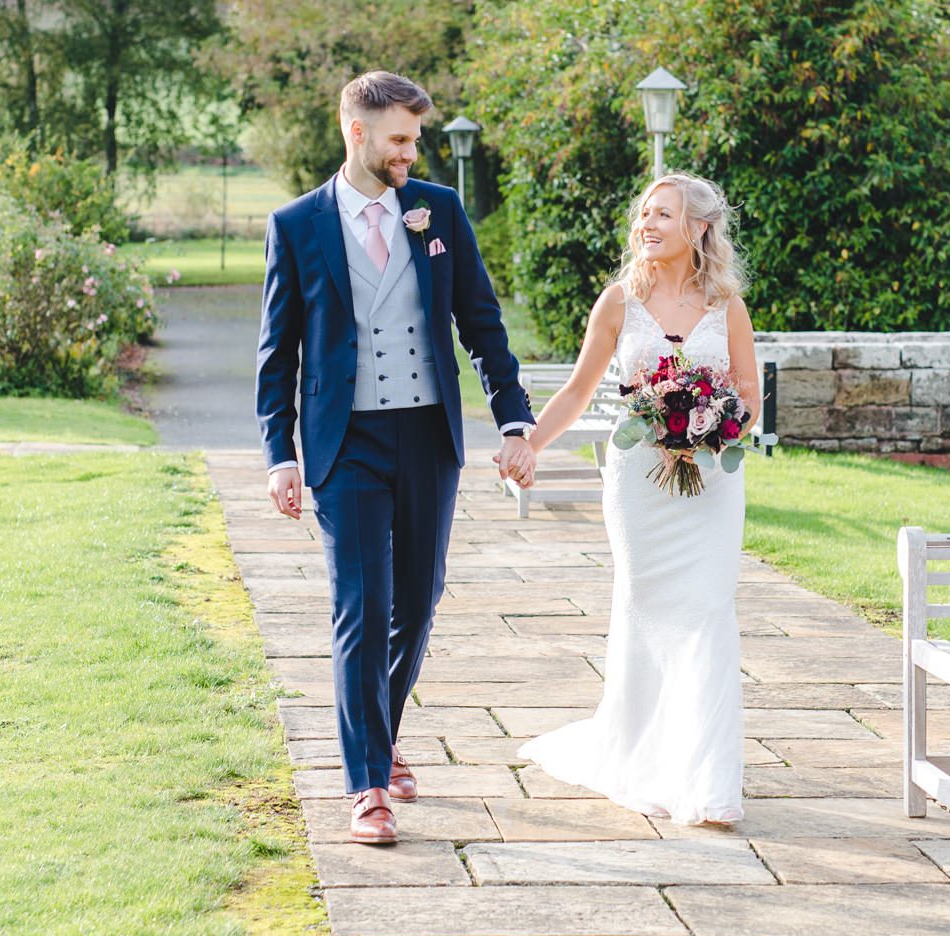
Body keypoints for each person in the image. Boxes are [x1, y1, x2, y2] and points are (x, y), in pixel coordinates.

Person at [256, 70, 535, 846]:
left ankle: (381, 732)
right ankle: (366, 783)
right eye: (401, 140)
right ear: (358, 134)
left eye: (416, 139)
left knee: (417, 602)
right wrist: (279, 453)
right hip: (346, 445)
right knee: (361, 608)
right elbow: (277, 354)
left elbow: (481, 321)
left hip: (426, 437)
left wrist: (514, 419)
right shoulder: (297, 224)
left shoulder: (437, 210)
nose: (413, 152)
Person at [516, 172, 757, 826]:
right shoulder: (620, 301)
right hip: (639, 486)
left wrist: (711, 423)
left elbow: (750, 399)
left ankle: (709, 782)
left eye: (663, 214)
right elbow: (575, 390)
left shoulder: (728, 306)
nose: (647, 224)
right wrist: (530, 442)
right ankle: (644, 760)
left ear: (698, 227)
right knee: (647, 610)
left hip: (710, 485)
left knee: (708, 611)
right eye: (644, 213)